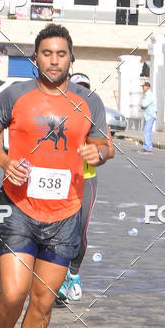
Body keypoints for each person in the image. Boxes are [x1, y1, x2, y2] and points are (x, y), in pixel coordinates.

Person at [0, 24, 110, 328]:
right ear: (35, 57)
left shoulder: (89, 102)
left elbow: (106, 146)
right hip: (17, 206)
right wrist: (4, 161)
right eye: (47, 53)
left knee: (43, 300)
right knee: (14, 292)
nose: (54, 60)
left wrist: (96, 153)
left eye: (61, 54)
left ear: (72, 58)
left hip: (66, 212)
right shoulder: (14, 95)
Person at [57, 73, 115, 304]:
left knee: (79, 231)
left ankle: (73, 275)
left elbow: (110, 149)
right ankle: (58, 279)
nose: (82, 93)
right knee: (59, 231)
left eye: (86, 89)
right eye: (77, 88)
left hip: (86, 178)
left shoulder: (95, 115)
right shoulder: (58, 112)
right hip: (60, 179)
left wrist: (98, 152)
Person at [140, 81, 157, 153]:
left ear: (147, 87)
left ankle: (148, 148)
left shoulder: (149, 94)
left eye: (143, 87)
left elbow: (144, 104)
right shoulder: (147, 94)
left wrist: (142, 106)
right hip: (149, 115)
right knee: (148, 131)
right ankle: (147, 147)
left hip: (150, 115)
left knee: (146, 131)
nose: (142, 88)